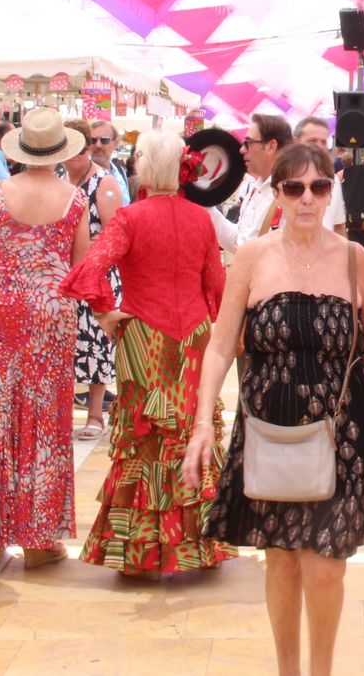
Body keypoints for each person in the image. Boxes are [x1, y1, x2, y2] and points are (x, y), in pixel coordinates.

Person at [188, 143, 364, 676]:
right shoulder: (254, 256)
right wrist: (200, 422)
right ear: (276, 193)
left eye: (319, 187)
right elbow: (218, 344)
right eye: (294, 188)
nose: (307, 199)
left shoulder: (354, 259)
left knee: (325, 568)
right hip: (269, 426)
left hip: (340, 429)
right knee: (279, 559)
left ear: (331, 192)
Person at [60, 130, 236, 579]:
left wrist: (105, 314)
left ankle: (139, 550)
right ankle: (198, 542)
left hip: (142, 334)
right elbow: (215, 284)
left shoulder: (129, 219)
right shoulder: (202, 220)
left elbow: (89, 270)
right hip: (194, 333)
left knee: (144, 436)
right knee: (193, 424)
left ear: (144, 167)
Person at [0, 109, 89, 568]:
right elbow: (80, 269)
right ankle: (38, 540)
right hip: (50, 313)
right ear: (60, 152)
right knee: (44, 424)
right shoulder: (73, 198)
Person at [62, 119, 124, 439]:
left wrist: (88, 260)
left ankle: (96, 413)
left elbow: (115, 235)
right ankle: (64, 409)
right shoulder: (59, 180)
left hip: (97, 272)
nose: (74, 154)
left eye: (80, 147)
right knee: (66, 342)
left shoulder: (104, 182)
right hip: (64, 274)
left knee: (95, 342)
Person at [223, 114, 294, 258]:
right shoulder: (256, 187)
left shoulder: (293, 191)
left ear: (270, 146)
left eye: (248, 143)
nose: (242, 150)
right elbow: (241, 240)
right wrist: (206, 207)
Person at [293, 117, 346, 235]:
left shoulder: (334, 181)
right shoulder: (283, 180)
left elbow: (339, 226)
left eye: (323, 142)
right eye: (312, 141)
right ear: (296, 143)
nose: (319, 147)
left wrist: (343, 252)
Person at [87, 120, 132, 204]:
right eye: (93, 140)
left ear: (116, 144)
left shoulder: (120, 171)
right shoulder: (82, 173)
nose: (98, 145)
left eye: (104, 140)